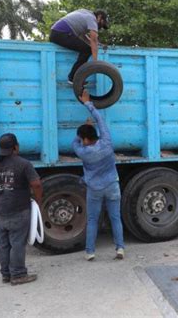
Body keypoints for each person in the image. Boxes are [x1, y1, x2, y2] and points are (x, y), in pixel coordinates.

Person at [0, 133, 42, 285]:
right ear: (15, 147)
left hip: (0, 212)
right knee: (17, 244)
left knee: (3, 244)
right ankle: (18, 274)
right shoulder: (23, 164)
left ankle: (6, 274)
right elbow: (37, 184)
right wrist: (38, 202)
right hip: (19, 210)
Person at [72, 90, 124, 261]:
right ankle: (120, 248)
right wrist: (88, 104)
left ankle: (90, 252)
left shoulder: (83, 152)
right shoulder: (107, 142)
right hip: (112, 185)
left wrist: (80, 136)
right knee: (115, 217)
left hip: (94, 188)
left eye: (83, 138)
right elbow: (100, 120)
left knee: (93, 219)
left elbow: (75, 143)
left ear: (86, 140)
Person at [49, 9, 109, 84]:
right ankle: (73, 78)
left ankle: (73, 77)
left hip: (56, 33)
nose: (101, 27)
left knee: (86, 47)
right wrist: (95, 62)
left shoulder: (85, 13)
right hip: (61, 33)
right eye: (102, 24)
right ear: (99, 17)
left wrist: (97, 44)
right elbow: (93, 40)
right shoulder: (92, 19)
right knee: (87, 50)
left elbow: (83, 37)